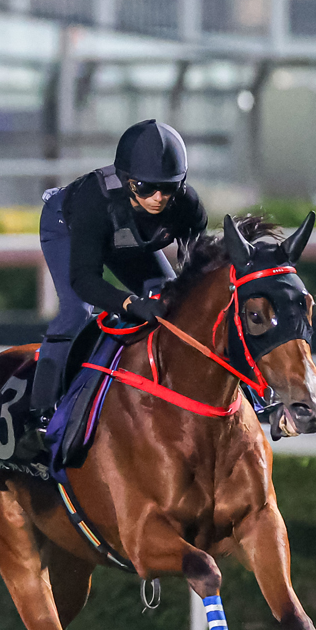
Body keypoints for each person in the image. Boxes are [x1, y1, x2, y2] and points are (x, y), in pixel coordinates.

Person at [20, 118, 208, 455]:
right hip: (68, 225)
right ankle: (39, 416)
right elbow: (84, 280)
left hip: (126, 238)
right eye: (145, 188)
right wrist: (131, 303)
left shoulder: (188, 207)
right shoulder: (96, 202)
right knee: (77, 312)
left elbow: (195, 275)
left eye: (168, 188)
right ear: (125, 181)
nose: (158, 199)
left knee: (167, 297)